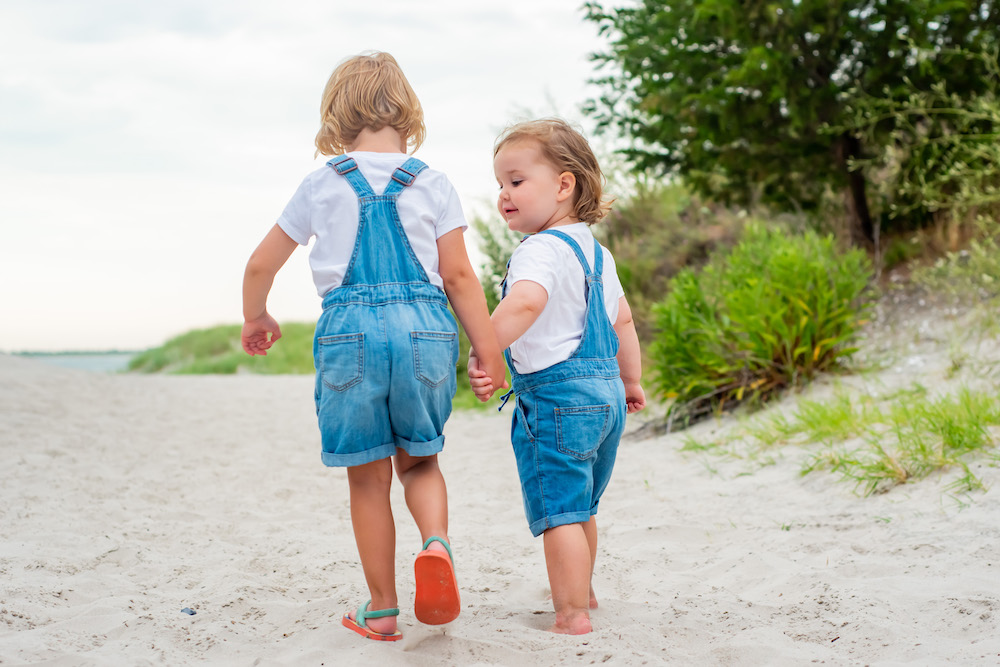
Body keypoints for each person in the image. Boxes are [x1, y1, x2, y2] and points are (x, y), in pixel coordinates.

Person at [241, 51, 506, 642]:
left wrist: (255, 314)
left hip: (351, 335)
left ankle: (382, 608)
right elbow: (460, 278)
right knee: (422, 461)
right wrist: (489, 351)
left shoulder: (321, 183)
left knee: (367, 479)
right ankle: (435, 543)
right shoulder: (433, 182)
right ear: (407, 112)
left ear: (335, 117)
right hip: (424, 332)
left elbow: (261, 262)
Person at [468, 118, 646, 635]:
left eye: (516, 181)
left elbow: (525, 302)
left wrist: (486, 351)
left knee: (561, 512)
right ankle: (583, 588)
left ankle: (571, 613)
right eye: (500, 184)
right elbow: (624, 321)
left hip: (559, 398)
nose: (504, 195)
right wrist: (631, 382)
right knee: (583, 504)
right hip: (607, 395)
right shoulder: (598, 253)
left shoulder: (539, 250)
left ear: (564, 184)